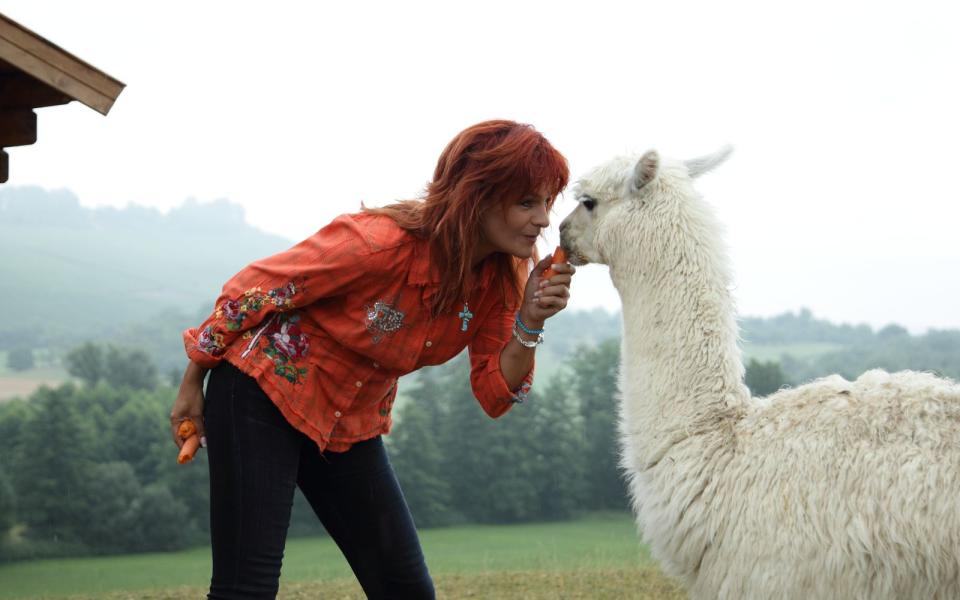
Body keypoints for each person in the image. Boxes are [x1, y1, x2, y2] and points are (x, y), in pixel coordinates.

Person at [169, 119, 574, 600]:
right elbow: (255, 290)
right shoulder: (378, 243)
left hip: (350, 422)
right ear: (477, 195)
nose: (544, 219)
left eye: (548, 202)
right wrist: (194, 380)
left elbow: (493, 392)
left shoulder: (503, 278)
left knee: (406, 591)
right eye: (527, 202)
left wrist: (530, 321)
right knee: (247, 588)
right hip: (260, 394)